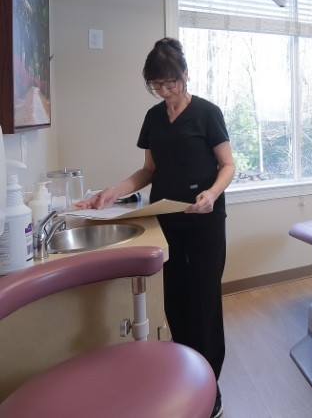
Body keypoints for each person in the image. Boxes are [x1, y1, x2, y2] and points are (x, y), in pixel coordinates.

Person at [79, 38, 235, 418]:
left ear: (184, 75)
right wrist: (112, 192)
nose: (166, 93)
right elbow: (149, 171)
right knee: (176, 302)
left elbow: (228, 165)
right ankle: (185, 373)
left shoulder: (207, 113)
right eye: (157, 86)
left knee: (203, 303)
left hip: (204, 221)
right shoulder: (153, 118)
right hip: (166, 220)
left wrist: (212, 193)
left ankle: (210, 385)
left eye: (171, 84)